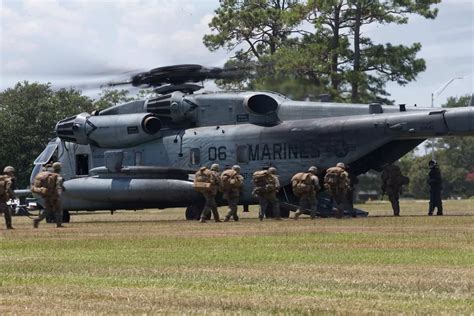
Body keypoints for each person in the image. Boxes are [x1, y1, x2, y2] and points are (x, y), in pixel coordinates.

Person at [33, 162, 65, 228]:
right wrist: (61, 191)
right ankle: (59, 224)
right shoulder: (58, 176)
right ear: (59, 168)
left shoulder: (49, 175)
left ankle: (37, 220)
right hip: (54, 196)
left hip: (47, 195)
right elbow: (59, 185)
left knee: (47, 210)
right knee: (58, 209)